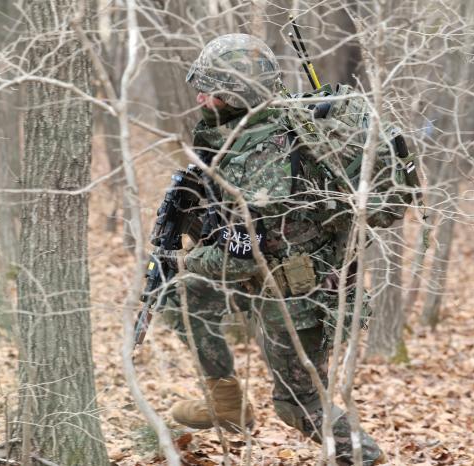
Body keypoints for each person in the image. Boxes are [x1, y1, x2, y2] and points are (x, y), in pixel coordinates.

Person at [160, 33, 387, 465]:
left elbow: (238, 259)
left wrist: (183, 258)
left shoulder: (261, 157)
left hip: (301, 297)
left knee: (298, 406)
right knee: (183, 295)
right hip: (275, 276)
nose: (201, 98)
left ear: (236, 94)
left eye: (211, 90)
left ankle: (365, 457)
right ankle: (225, 401)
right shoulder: (261, 128)